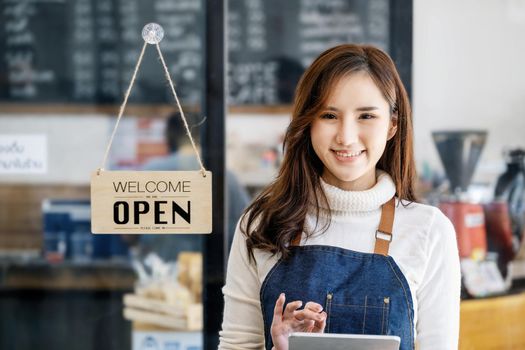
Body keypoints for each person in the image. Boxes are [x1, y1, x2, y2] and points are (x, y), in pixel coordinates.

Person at [219, 44, 461, 350]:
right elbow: (236, 346)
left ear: (392, 124)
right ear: (308, 123)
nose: (346, 136)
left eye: (366, 116)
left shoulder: (429, 231)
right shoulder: (261, 224)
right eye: (329, 115)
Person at [136, 112, 250, 260]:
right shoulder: (226, 177)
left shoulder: (151, 172)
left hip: (161, 275)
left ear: (169, 136)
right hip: (214, 274)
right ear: (202, 136)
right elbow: (248, 228)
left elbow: (129, 235)